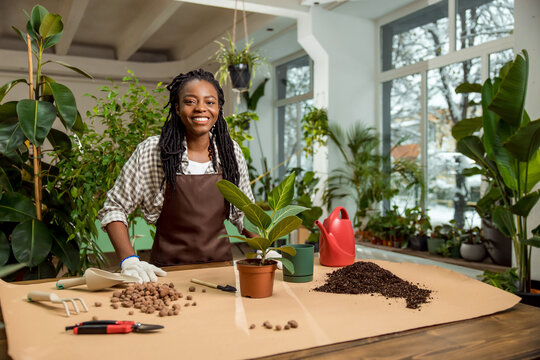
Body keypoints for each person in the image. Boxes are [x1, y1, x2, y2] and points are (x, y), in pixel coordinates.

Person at [98, 69, 255, 283]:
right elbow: (115, 207)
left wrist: (267, 249)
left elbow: (245, 213)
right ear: (177, 108)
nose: (201, 108)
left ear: (218, 108)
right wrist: (129, 260)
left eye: (210, 102)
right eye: (191, 101)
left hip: (221, 272)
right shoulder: (154, 151)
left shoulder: (229, 152)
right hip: (166, 275)